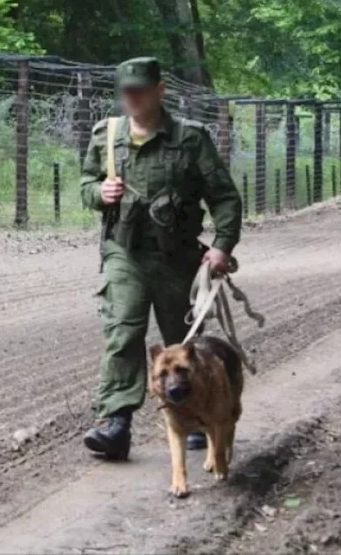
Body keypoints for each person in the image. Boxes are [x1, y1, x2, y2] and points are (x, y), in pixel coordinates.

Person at [78, 57, 243, 461]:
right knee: (123, 331)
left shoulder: (190, 139)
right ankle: (115, 422)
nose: (133, 98)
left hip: (178, 258)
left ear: (159, 90)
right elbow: (86, 182)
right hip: (125, 252)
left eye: (141, 90)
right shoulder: (107, 135)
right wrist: (100, 194)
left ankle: (191, 417)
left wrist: (222, 246)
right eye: (127, 91)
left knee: (181, 343)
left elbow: (223, 197)